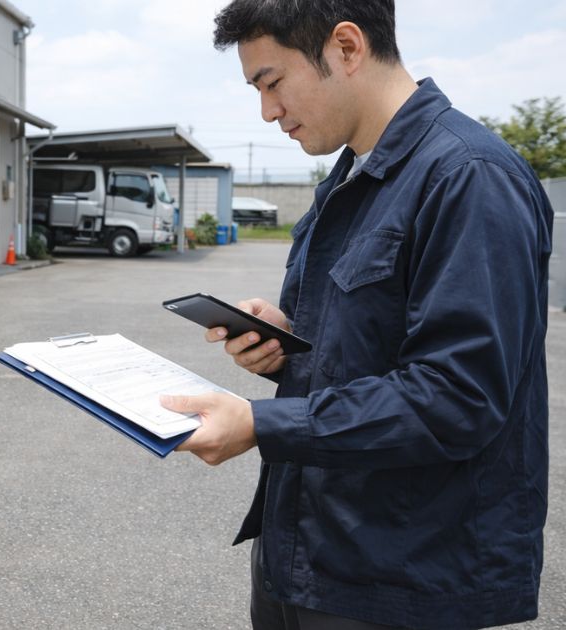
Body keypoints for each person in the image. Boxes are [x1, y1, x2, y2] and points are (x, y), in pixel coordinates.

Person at [161, 1, 552, 628]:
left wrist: (261, 424)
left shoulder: (468, 176)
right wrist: (288, 345)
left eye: (272, 82)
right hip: (306, 555)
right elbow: (372, 351)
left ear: (346, 47)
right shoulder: (349, 177)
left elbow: (459, 398)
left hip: (405, 578)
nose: (267, 111)